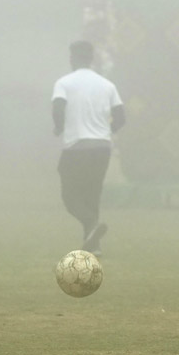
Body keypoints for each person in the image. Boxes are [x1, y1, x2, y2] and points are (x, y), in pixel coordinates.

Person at [52, 41, 125, 257]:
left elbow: (58, 108)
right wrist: (105, 129)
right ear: (91, 58)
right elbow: (120, 117)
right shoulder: (107, 85)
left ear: (72, 58)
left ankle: (91, 226)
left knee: (70, 196)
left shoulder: (64, 83)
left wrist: (59, 127)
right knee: (92, 195)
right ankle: (94, 245)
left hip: (76, 148)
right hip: (102, 148)